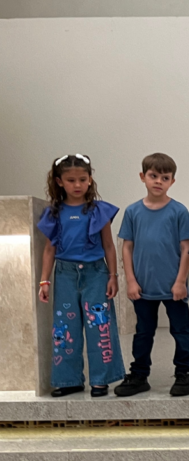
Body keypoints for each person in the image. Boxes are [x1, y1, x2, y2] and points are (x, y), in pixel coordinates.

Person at [37, 153, 124, 397]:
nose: (77, 185)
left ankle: (101, 379)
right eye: (71, 180)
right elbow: (49, 249)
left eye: (82, 180)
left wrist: (113, 276)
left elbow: (109, 246)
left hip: (96, 274)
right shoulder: (54, 213)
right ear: (59, 181)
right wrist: (45, 280)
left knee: (100, 326)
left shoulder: (98, 211)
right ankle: (69, 380)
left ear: (90, 180)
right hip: (65, 274)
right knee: (65, 327)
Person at [115, 152, 189, 397]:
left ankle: (184, 373)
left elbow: (187, 248)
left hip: (174, 287)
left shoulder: (179, 211)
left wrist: (181, 281)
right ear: (143, 177)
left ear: (172, 181)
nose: (159, 181)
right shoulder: (133, 212)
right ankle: (139, 375)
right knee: (143, 332)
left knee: (181, 331)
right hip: (143, 287)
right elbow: (127, 247)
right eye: (153, 176)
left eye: (165, 177)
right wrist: (131, 280)